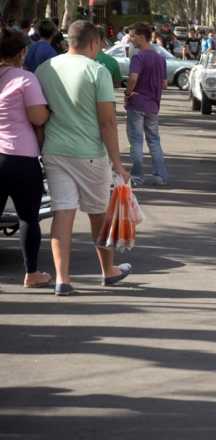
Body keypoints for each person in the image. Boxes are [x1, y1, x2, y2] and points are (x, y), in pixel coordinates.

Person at [35, 20, 133, 296]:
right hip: (90, 154)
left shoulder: (45, 69)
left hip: (54, 151)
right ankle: (108, 271)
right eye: (100, 45)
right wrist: (116, 162)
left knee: (62, 214)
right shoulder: (97, 71)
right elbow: (107, 122)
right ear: (92, 43)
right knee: (97, 214)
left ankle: (62, 279)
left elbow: (40, 115)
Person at [0, 28, 52, 288]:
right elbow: (38, 117)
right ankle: (31, 273)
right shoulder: (25, 79)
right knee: (28, 217)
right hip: (21, 158)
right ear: (21, 53)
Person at [125, 23, 168, 186]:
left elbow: (133, 78)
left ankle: (137, 177)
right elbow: (164, 84)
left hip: (137, 103)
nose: (131, 38)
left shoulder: (138, 57)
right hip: (153, 104)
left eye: (133, 35)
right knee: (154, 140)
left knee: (136, 141)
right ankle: (160, 176)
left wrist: (128, 93)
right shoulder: (160, 58)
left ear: (142, 37)